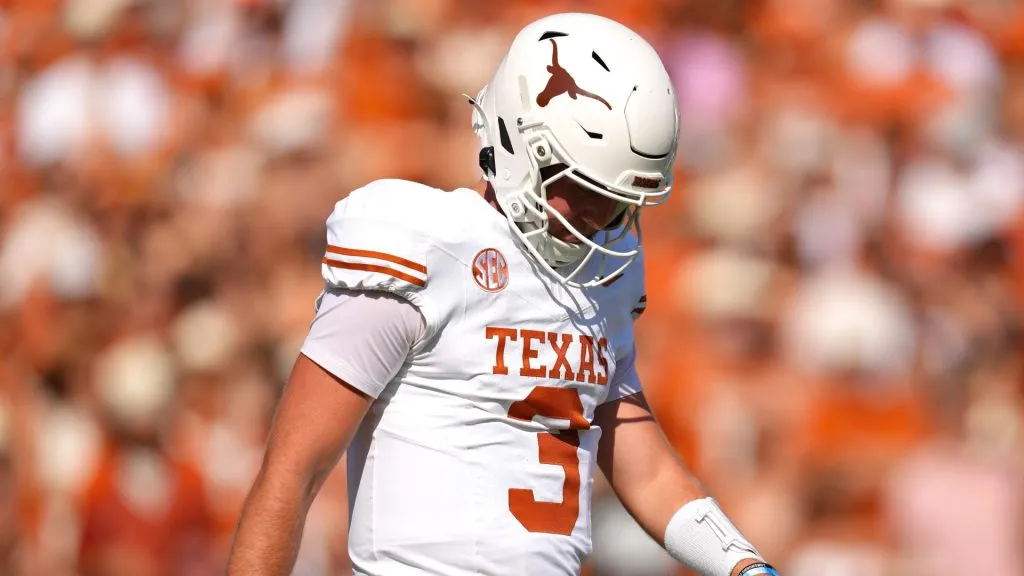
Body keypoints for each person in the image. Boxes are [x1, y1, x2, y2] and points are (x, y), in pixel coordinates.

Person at [227, 12, 778, 576]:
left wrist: (742, 565)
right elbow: (291, 473)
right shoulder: (427, 243)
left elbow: (648, 469)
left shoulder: (602, 278)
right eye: (579, 188)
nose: (595, 218)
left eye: (613, 201)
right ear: (519, 141)